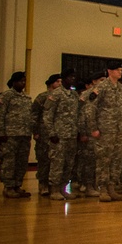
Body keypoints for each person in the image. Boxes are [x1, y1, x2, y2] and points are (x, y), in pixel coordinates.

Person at [88, 60, 122, 202]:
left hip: (118, 130)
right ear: (110, 71)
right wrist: (93, 128)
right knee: (104, 159)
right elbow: (91, 108)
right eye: (117, 70)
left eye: (121, 70)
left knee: (117, 159)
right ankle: (103, 189)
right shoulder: (101, 87)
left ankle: (112, 188)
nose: (120, 72)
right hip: (105, 130)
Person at [0, 71, 34, 198]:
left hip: (24, 134)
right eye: (20, 81)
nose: (22, 83)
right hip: (10, 134)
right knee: (9, 161)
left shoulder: (26, 97)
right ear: (14, 82)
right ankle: (8, 187)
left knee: (21, 161)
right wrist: (0, 132)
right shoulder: (6, 96)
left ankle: (17, 185)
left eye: (24, 81)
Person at [44, 68, 80, 200]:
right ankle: (54, 189)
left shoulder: (74, 95)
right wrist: (51, 132)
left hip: (71, 135)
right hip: (58, 135)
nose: (72, 79)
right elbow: (48, 115)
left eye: (73, 77)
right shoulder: (56, 94)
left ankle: (63, 188)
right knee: (57, 163)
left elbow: (77, 115)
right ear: (64, 78)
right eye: (70, 77)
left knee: (69, 163)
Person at [32, 73, 62, 197]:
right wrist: (36, 131)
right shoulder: (42, 97)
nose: (60, 84)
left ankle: (53, 185)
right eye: (57, 81)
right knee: (44, 159)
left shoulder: (61, 96)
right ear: (51, 84)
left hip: (57, 133)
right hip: (44, 133)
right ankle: (43, 184)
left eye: (61, 81)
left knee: (55, 161)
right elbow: (34, 115)